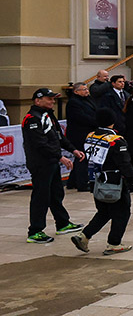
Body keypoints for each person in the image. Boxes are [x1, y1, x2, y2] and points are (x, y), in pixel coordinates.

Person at [71, 107, 133, 255]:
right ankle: (114, 243)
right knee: (122, 212)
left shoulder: (90, 136)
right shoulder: (116, 140)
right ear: (113, 121)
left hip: (95, 180)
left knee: (104, 211)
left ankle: (84, 235)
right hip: (113, 182)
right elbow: (124, 165)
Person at [23, 87, 86, 243]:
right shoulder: (32, 118)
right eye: (49, 98)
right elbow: (40, 144)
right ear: (38, 100)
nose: (52, 101)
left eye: (53, 98)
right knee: (41, 197)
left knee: (56, 194)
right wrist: (60, 157)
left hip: (51, 162)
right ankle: (35, 231)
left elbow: (59, 137)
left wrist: (73, 149)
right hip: (40, 163)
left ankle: (63, 223)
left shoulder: (48, 116)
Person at [65, 82, 98, 191]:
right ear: (76, 91)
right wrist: (96, 122)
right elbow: (80, 117)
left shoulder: (89, 99)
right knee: (82, 157)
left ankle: (72, 182)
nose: (86, 91)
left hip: (89, 132)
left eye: (86, 89)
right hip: (78, 133)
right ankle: (82, 183)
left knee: (81, 157)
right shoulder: (73, 103)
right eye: (83, 89)